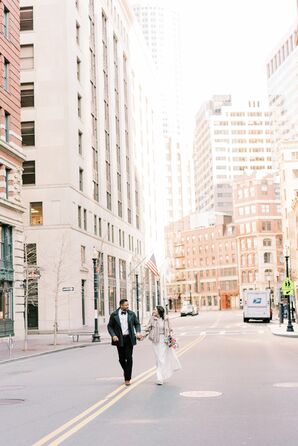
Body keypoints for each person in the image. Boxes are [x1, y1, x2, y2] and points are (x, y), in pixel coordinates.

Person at [107, 299, 142, 386]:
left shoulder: (131, 314)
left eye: (128, 305)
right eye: (126, 305)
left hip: (129, 338)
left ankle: (127, 378)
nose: (127, 306)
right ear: (121, 305)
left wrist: (137, 332)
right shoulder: (114, 314)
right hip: (119, 339)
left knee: (129, 358)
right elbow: (110, 326)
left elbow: (137, 324)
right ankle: (127, 372)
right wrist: (113, 335)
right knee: (121, 359)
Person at [146, 306, 181, 385]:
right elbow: (148, 328)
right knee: (158, 358)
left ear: (159, 311)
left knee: (161, 358)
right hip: (155, 341)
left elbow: (170, 329)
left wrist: (171, 338)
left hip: (164, 340)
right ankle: (160, 376)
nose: (153, 310)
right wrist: (141, 336)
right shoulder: (152, 319)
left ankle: (160, 377)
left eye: (155, 309)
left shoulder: (166, 319)